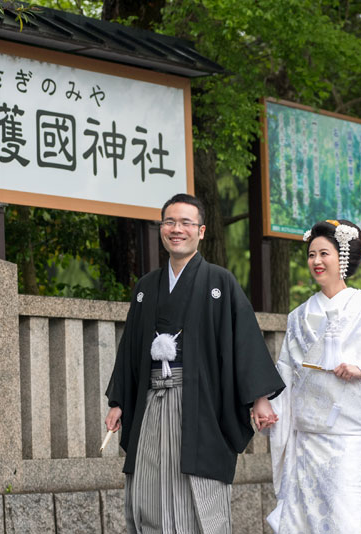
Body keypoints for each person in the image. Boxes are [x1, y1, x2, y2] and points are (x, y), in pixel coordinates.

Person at [105, 193, 285, 534]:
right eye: (170, 222)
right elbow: (130, 349)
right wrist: (118, 402)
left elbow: (243, 339)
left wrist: (260, 398)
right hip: (151, 404)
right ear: (161, 229)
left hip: (200, 404)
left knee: (200, 492)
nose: (177, 229)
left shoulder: (220, 282)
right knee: (149, 488)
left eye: (186, 223)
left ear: (201, 232)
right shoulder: (145, 287)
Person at [267, 219, 361, 534]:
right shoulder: (298, 317)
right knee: (305, 520)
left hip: (350, 442)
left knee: (348, 520)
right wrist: (268, 407)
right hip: (307, 441)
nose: (316, 261)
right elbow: (285, 374)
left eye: (324, 254)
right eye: (311, 255)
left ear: (343, 258)